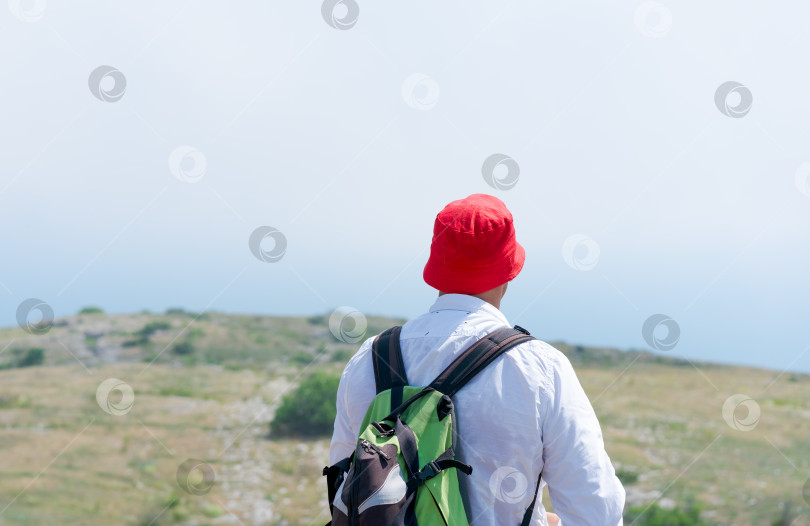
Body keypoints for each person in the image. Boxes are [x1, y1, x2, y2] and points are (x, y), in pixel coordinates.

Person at [329, 193, 625, 525]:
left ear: (435, 268)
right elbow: (595, 512)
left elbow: (345, 489)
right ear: (508, 272)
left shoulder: (369, 360)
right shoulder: (542, 368)